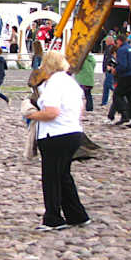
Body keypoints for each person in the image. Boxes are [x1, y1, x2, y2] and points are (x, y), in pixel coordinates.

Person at [24, 51, 91, 231]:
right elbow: (81, 108)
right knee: (63, 175)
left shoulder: (53, 84)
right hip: (72, 132)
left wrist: (32, 114)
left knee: (51, 177)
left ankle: (53, 218)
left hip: (55, 135)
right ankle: (77, 214)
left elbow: (52, 112)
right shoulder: (71, 82)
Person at [112, 35, 131, 128]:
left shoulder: (122, 50)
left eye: (116, 42)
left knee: (117, 95)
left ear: (119, 41)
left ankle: (124, 114)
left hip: (127, 76)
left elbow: (123, 65)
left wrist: (115, 70)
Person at [101, 35, 117, 107]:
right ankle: (104, 101)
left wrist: (108, 67)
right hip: (109, 69)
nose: (106, 43)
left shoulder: (111, 48)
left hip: (110, 69)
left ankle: (120, 94)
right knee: (106, 86)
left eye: (106, 41)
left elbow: (110, 58)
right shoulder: (111, 48)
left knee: (109, 85)